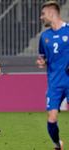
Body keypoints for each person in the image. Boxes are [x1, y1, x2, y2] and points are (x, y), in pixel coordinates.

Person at [36, 1, 69, 150]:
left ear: (52, 13)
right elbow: (42, 56)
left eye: (43, 14)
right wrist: (40, 61)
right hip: (54, 83)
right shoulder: (44, 36)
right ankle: (57, 145)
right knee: (51, 121)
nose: (41, 17)